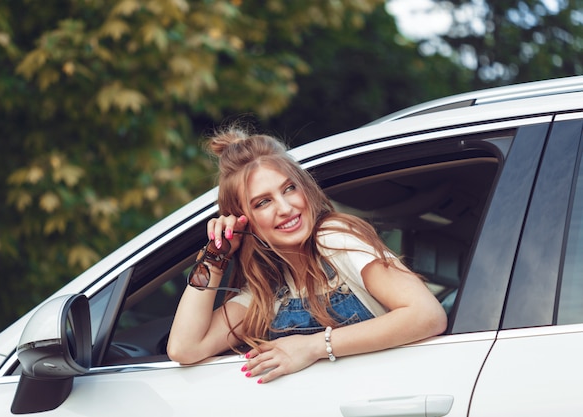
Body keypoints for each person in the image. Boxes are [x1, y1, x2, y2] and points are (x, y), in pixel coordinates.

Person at [167, 124, 447, 384]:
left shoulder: (333, 237)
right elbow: (185, 348)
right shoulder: (267, 291)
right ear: (244, 220)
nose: (286, 207)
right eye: (264, 202)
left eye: (289, 188)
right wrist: (216, 257)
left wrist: (313, 346)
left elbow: (427, 314)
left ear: (305, 189)